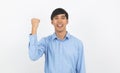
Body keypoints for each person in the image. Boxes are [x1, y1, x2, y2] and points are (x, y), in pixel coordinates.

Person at [28, 8, 86, 73]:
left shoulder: (77, 43)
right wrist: (34, 28)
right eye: (56, 18)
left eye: (63, 18)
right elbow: (33, 56)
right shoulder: (46, 42)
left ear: (67, 21)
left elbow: (81, 69)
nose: (59, 21)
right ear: (52, 22)